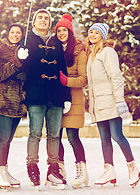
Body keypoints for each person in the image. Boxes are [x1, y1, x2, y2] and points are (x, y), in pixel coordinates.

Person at [17, 9, 72, 188]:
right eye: (40, 17)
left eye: (46, 18)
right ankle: (32, 166)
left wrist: (66, 96)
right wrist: (20, 56)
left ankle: (53, 170)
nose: (43, 20)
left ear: (50, 23)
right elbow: (22, 66)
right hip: (36, 93)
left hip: (55, 94)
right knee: (35, 133)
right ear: (33, 22)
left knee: (55, 134)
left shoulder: (56, 42)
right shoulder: (27, 40)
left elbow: (62, 69)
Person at [85, 23, 140, 188]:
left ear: (102, 35)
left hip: (110, 101)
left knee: (117, 135)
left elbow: (116, 77)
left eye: (96, 32)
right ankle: (109, 170)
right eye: (91, 32)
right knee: (104, 139)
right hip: (99, 103)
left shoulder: (107, 52)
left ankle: (133, 167)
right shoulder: (92, 55)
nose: (93, 35)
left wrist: (119, 101)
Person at [54, 14, 89, 188]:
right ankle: (59, 170)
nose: (61, 33)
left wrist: (67, 81)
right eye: (59, 30)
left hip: (74, 100)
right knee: (56, 136)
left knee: (73, 137)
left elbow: (83, 79)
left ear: (70, 31)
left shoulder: (79, 52)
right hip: (57, 99)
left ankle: (82, 171)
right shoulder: (53, 50)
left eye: (64, 30)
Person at [0, 24, 27, 188]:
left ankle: (4, 170)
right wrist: (16, 61)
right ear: (8, 34)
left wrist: (24, 68)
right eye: (12, 32)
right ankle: (0, 171)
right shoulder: (1, 50)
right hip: (5, 100)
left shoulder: (26, 50)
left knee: (9, 139)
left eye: (18, 32)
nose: (15, 35)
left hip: (19, 103)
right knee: (4, 137)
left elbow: (28, 74)